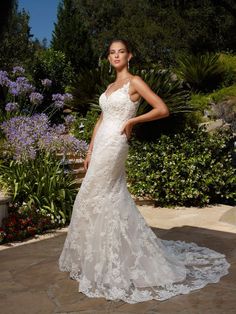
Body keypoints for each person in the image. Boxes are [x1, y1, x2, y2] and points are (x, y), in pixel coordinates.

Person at [58, 39, 230, 304]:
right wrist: (90, 150)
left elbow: (162, 109)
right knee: (95, 197)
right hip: (102, 141)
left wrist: (132, 120)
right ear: (108, 59)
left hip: (116, 143)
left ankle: (113, 263)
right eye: (112, 53)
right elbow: (101, 119)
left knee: (99, 194)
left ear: (130, 56)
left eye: (121, 52)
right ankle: (101, 259)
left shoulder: (134, 82)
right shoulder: (109, 87)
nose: (116, 56)